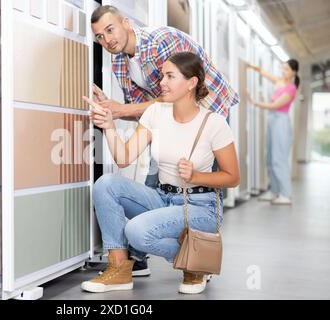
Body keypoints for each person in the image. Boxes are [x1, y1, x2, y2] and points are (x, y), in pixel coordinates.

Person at [90, 4, 239, 276]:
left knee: (199, 185)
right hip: (169, 113)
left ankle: (198, 256)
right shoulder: (120, 64)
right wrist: (110, 121)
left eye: (109, 30)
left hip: (210, 104)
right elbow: (147, 111)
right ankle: (126, 263)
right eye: (99, 36)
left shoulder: (161, 43)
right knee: (158, 176)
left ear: (125, 23)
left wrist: (121, 109)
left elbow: (177, 90)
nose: (107, 39)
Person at [247, 59, 299, 205]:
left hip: (281, 122)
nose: (284, 72)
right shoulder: (280, 81)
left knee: (279, 159)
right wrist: (252, 66)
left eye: (287, 69)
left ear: (294, 72)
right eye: (283, 69)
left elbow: (275, 105)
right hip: (272, 121)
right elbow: (266, 74)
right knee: (269, 158)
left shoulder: (291, 88)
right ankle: (274, 191)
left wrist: (254, 102)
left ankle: (286, 194)